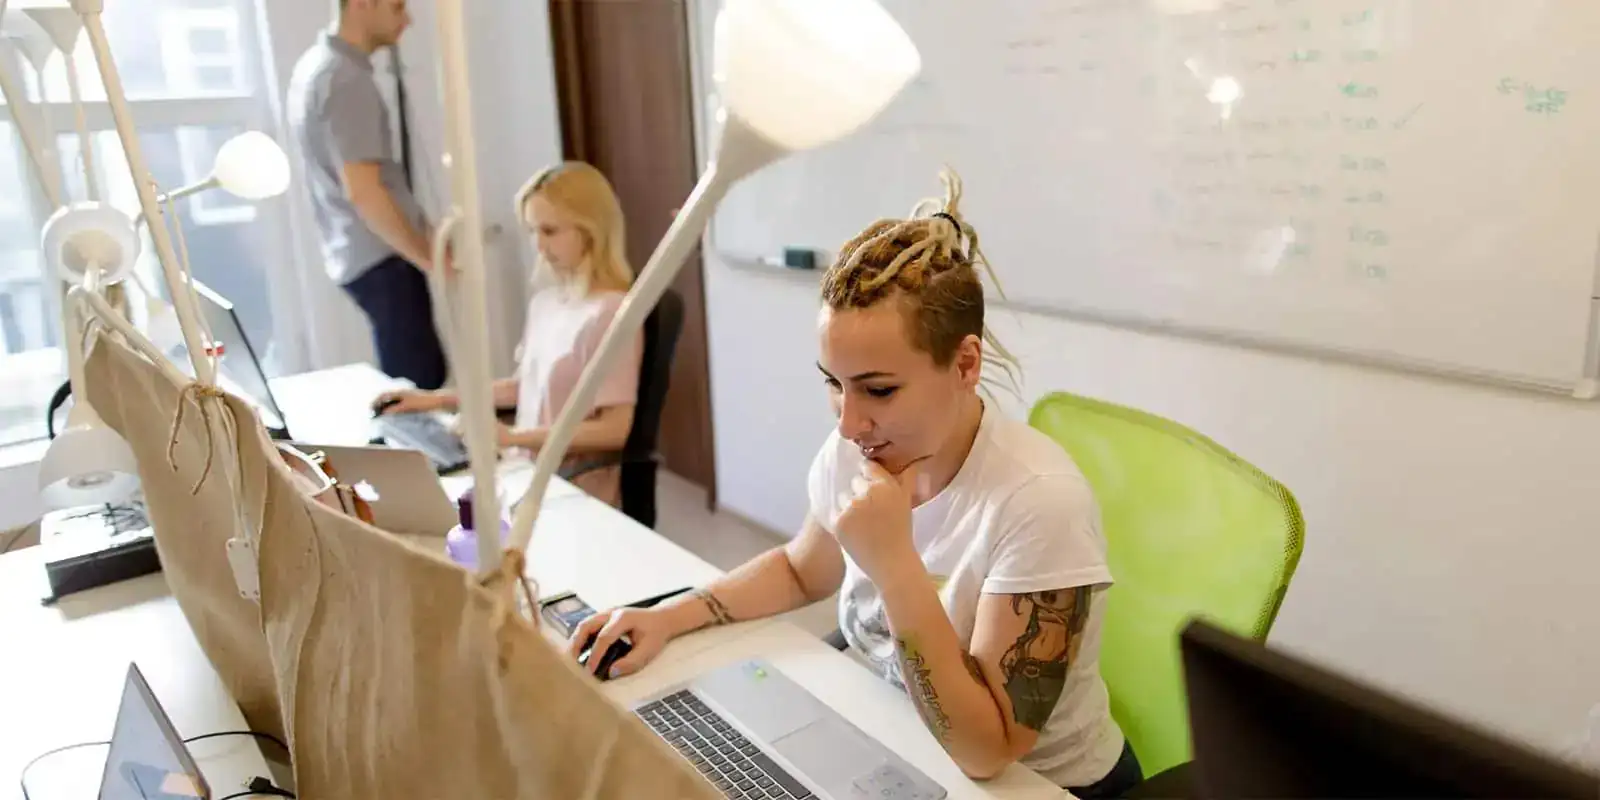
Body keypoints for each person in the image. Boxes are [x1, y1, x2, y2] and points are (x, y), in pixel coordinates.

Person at [567, 171, 1144, 797]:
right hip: (897, 734)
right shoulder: (862, 443)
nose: (847, 422)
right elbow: (800, 570)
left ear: (965, 364)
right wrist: (668, 618)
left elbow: (989, 752)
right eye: (833, 384)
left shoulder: (1039, 502)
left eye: (878, 389)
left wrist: (894, 565)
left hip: (1039, 786)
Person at [372, 162, 643, 506]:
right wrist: (433, 399)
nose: (539, 246)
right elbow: (522, 386)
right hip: (523, 466)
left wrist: (513, 436)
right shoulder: (548, 302)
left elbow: (615, 430)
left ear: (591, 230)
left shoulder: (610, 313)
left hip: (567, 485)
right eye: (532, 231)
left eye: (550, 231)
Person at [286, 0, 448, 391]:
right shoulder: (345, 80)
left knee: (411, 381)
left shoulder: (316, 66)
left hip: (356, 255)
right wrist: (427, 257)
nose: (407, 21)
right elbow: (364, 190)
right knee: (417, 385)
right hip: (383, 258)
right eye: (396, 7)